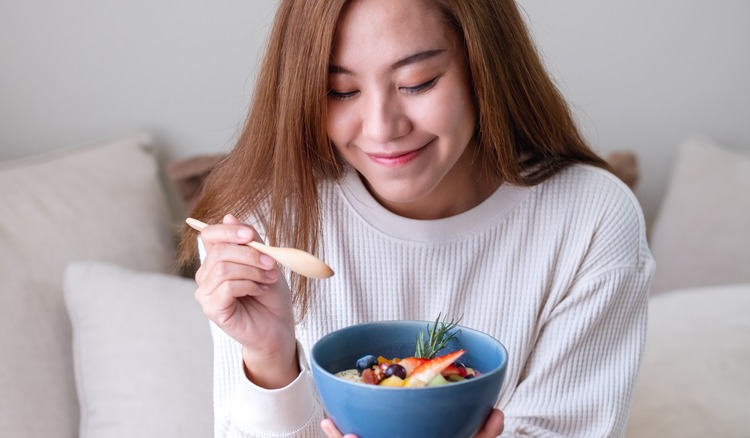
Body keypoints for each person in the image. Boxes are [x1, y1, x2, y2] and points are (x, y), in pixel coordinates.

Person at [179, 0, 655, 436]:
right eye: (340, 91)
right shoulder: (262, 227)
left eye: (418, 82)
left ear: (484, 66)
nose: (383, 127)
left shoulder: (592, 218)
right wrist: (269, 358)